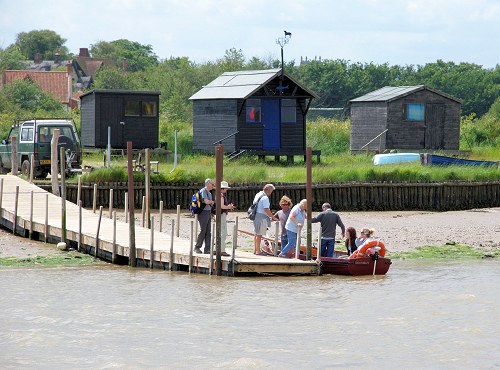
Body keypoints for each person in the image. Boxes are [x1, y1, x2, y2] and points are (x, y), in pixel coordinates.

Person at [252, 184, 275, 255]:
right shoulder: (265, 198)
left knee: (256, 233)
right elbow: (266, 209)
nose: (271, 193)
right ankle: (258, 251)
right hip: (261, 217)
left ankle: (255, 250)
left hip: (256, 215)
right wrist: (272, 216)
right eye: (271, 191)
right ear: (268, 190)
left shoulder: (258, 194)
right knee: (259, 234)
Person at [194, 178, 216, 254]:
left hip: (208, 212)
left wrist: (212, 214)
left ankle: (207, 249)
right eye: (211, 183)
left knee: (208, 231)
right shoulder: (203, 191)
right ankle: (197, 247)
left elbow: (209, 204)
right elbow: (206, 201)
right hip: (203, 213)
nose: (213, 185)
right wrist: (212, 202)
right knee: (203, 230)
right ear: (207, 184)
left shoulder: (209, 193)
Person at [219, 180, 236, 257]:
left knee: (221, 232)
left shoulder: (220, 195)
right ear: (223, 188)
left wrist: (228, 206)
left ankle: (218, 249)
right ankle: (222, 250)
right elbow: (221, 206)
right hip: (222, 215)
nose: (226, 190)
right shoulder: (221, 196)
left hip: (221, 215)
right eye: (226, 188)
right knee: (223, 233)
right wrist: (229, 207)